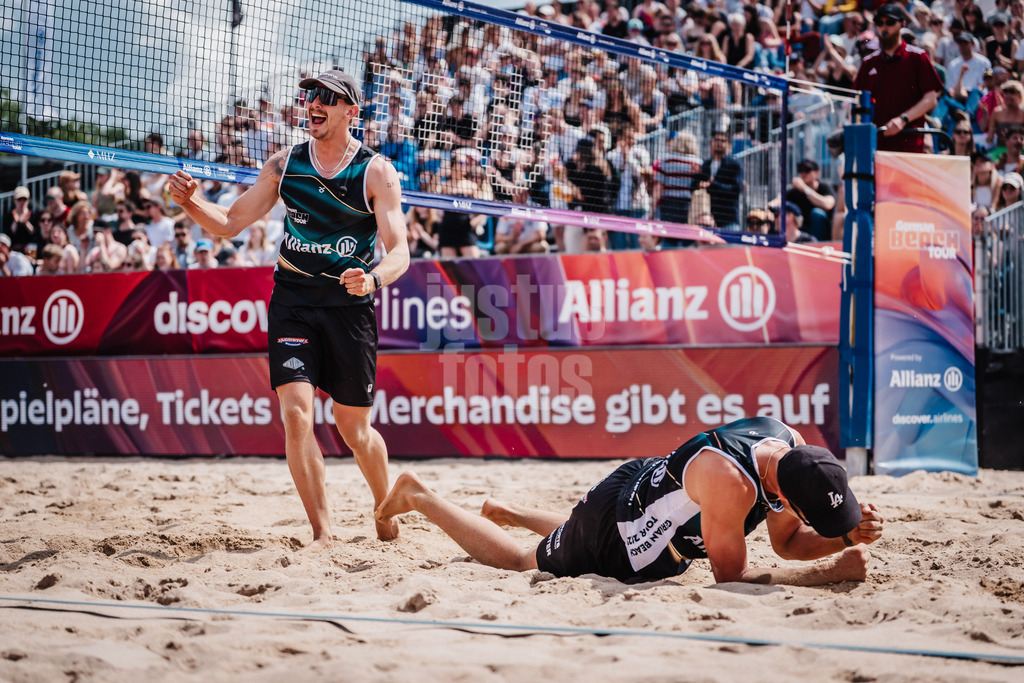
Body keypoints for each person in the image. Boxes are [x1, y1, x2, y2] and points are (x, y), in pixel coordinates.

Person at [170, 70, 410, 549]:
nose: (313, 103)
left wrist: (374, 277)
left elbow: (400, 249)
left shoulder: (375, 171)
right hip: (294, 301)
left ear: (350, 111)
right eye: (310, 95)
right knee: (297, 415)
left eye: (326, 97)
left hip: (350, 304)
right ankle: (322, 533)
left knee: (354, 429)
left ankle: (386, 507)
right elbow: (232, 221)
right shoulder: (285, 165)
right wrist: (192, 204)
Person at [375, 417, 883, 586]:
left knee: (568, 536)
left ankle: (510, 512)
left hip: (645, 489)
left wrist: (844, 534)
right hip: (623, 531)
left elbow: (790, 541)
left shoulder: (787, 444)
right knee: (522, 561)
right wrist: (829, 572)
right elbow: (732, 582)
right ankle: (420, 496)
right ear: (782, 492)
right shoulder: (735, 487)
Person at [854, 3, 945, 153]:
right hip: (876, 146)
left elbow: (931, 98)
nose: (884, 27)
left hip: (910, 144)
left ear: (902, 24)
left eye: (890, 22)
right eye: (880, 23)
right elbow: (857, 102)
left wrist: (903, 119)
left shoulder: (917, 57)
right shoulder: (868, 63)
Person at [700, 129, 744, 231]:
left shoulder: (734, 164)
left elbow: (736, 189)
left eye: (723, 141)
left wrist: (714, 184)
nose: (719, 143)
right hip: (707, 221)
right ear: (711, 143)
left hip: (728, 220)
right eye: (716, 140)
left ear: (728, 145)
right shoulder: (706, 165)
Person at [785, 160, 836, 241]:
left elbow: (828, 204)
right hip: (802, 230)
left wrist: (805, 189)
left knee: (817, 213)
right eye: (800, 170)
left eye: (807, 170)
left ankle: (817, 245)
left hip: (823, 233)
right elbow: (780, 200)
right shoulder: (795, 190)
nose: (803, 173)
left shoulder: (824, 187)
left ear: (817, 173)